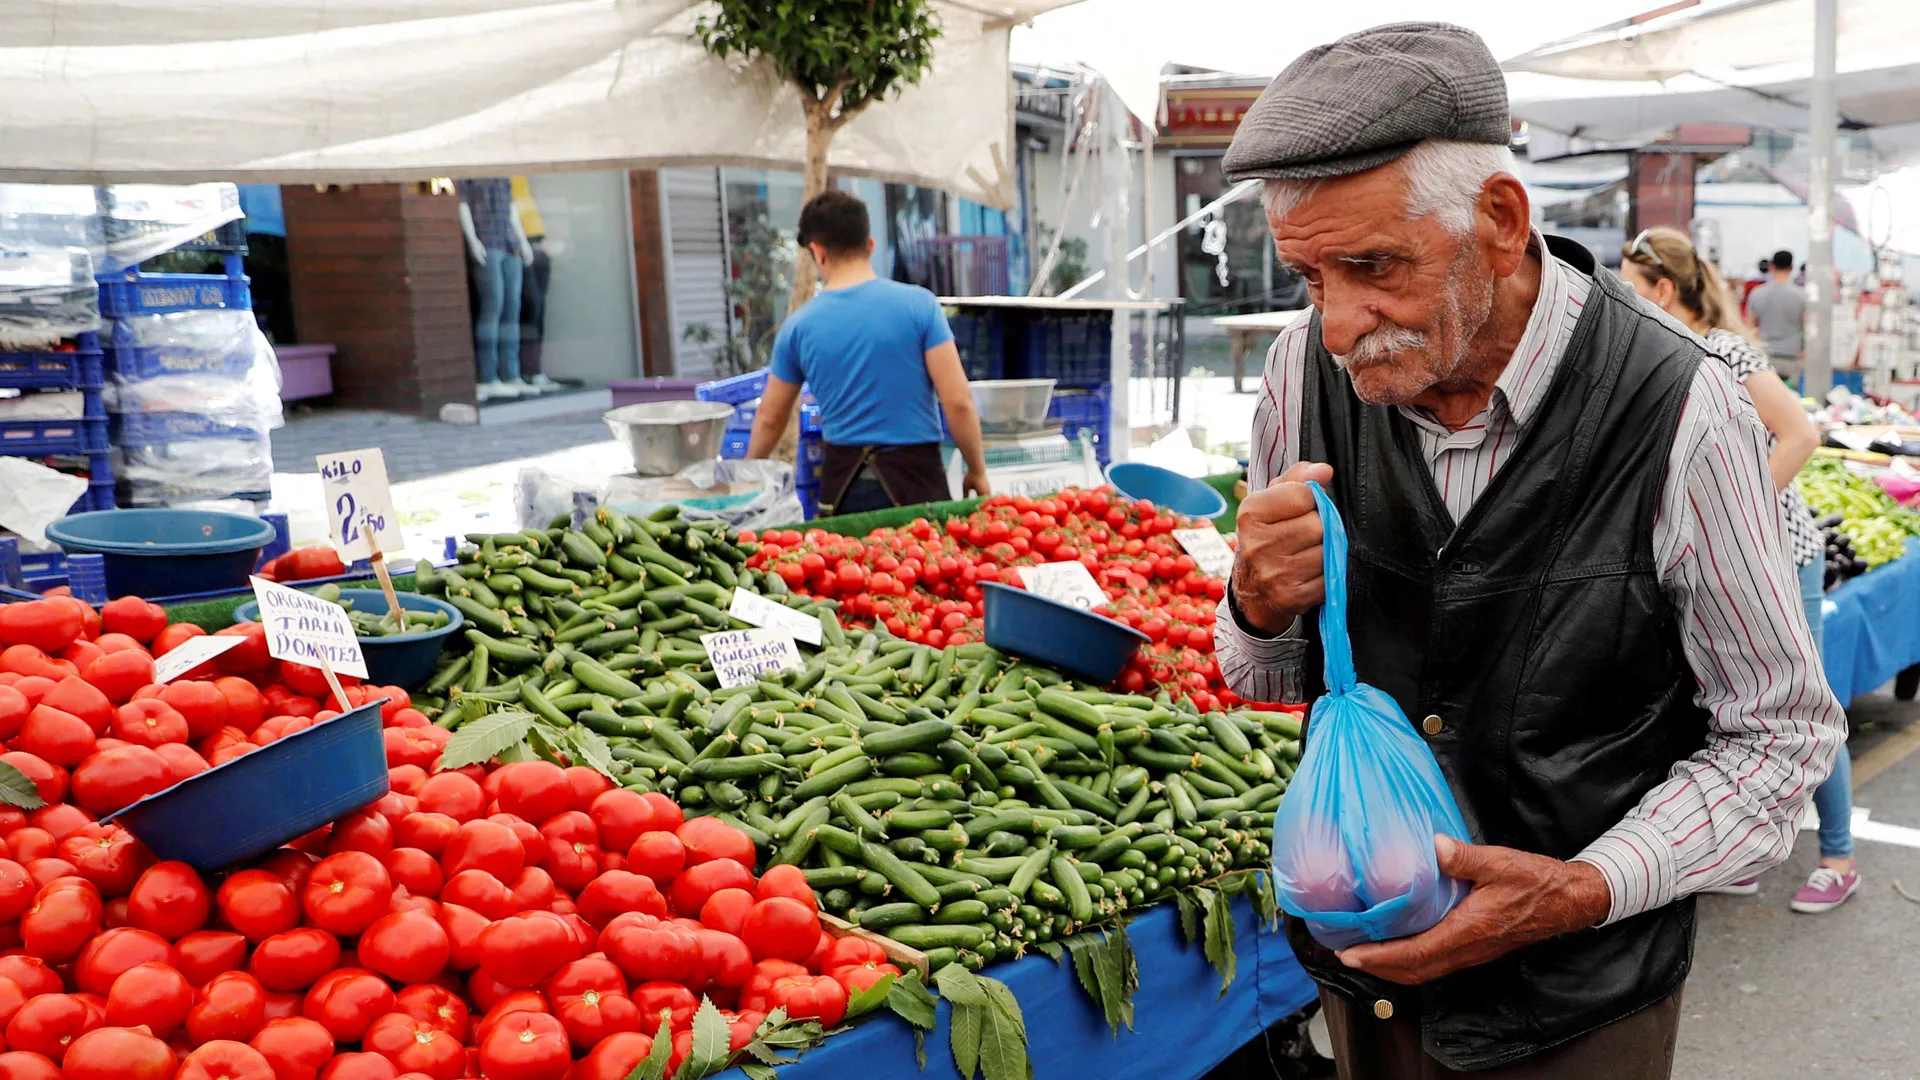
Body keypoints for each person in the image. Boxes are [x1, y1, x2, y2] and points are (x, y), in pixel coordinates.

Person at [1216, 21, 1844, 1079]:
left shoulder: (1680, 407)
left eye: (1372, 266)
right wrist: (1256, 602)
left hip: (1580, 1009)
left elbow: (1779, 737)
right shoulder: (1298, 377)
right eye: (1310, 276)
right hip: (1364, 981)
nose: (1335, 325)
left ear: (1500, 221)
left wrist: (1581, 890)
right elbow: (1268, 675)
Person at [1620, 227, 1857, 913]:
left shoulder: (1722, 351)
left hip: (1785, 556)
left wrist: (1730, 515)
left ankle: (1838, 856)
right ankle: (1746, 851)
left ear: (1664, 291)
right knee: (1725, 704)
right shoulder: (1657, 359)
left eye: (1632, 291)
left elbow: (1802, 434)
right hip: (1717, 566)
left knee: (1797, 706)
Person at [747, 190, 990, 514]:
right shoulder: (920, 306)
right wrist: (977, 469)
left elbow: (770, 418)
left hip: (844, 493)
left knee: (853, 564)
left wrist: (746, 476)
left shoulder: (798, 327)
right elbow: (958, 403)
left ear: (817, 252)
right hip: (918, 485)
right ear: (870, 245)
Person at [458, 177, 535, 401]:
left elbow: (510, 209)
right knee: (493, 307)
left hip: (510, 244)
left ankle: (511, 375)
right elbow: (462, 205)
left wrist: (522, 241)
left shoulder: (503, 175)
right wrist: (472, 241)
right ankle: (488, 377)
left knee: (512, 309)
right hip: (487, 242)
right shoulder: (468, 174)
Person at [1747, 249, 1808, 386]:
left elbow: (1749, 326)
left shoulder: (1757, 294)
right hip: (1791, 357)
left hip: (1763, 357)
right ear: (1791, 268)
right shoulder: (1801, 296)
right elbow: (1806, 325)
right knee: (1790, 400)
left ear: (1772, 267)